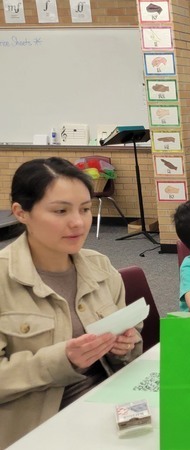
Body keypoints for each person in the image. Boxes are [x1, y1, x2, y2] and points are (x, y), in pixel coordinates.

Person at [0, 157, 142, 448]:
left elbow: (130, 347)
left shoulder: (100, 267)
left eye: (86, 209)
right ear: (21, 212)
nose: (78, 222)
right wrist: (62, 360)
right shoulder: (4, 280)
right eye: (61, 211)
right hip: (43, 426)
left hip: (112, 407)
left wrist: (124, 346)